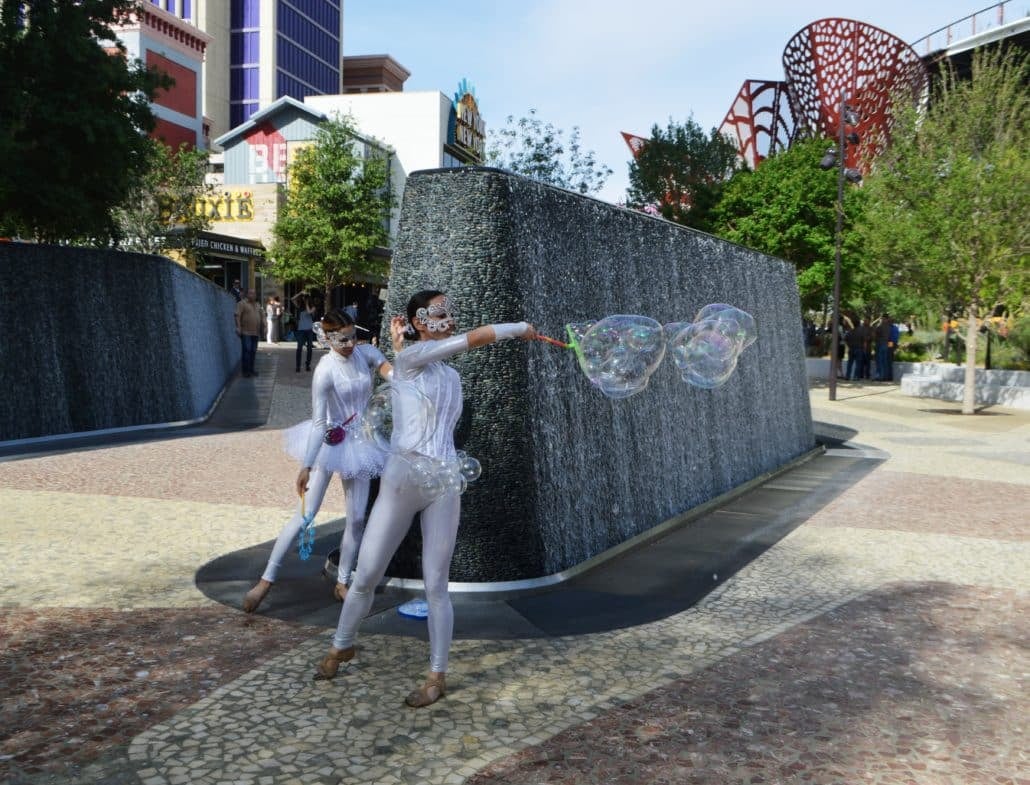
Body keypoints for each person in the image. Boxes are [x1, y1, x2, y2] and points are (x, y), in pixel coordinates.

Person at [312, 290, 536, 708]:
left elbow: (411, 392)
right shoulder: (412, 360)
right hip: (402, 480)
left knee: (437, 583)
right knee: (365, 576)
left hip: (444, 481)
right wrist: (517, 329)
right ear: (419, 320)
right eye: (439, 313)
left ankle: (437, 675)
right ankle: (341, 644)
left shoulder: (448, 376)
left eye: (448, 313)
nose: (448, 319)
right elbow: (470, 341)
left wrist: (397, 351)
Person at [242, 309, 404, 613]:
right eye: (342, 338)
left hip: (362, 442)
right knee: (306, 514)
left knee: (356, 518)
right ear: (327, 338)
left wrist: (397, 348)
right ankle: (266, 579)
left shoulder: (367, 353)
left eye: (353, 335)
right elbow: (319, 423)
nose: (350, 343)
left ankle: (343, 580)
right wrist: (306, 464)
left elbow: (397, 377)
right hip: (330, 440)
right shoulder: (325, 370)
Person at [235, 288, 261, 377]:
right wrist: (238, 327)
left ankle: (251, 370)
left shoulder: (257, 305)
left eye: (254, 294)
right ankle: (245, 372)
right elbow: (237, 315)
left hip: (255, 332)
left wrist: (265, 327)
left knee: (253, 351)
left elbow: (262, 316)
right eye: (250, 293)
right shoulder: (242, 303)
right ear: (247, 294)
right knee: (247, 351)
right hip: (246, 332)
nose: (252, 295)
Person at [293, 294, 317, 372]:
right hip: (301, 330)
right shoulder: (300, 307)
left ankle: (307, 365)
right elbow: (292, 299)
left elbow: (309, 312)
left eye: (306, 299)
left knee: (309, 348)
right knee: (299, 348)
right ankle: (297, 366)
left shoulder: (313, 307)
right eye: (304, 299)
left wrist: (307, 303)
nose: (304, 300)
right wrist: (300, 294)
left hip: (309, 330)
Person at [874, 313, 894, 382]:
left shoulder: (880, 326)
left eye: (882, 318)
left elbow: (875, 335)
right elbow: (891, 338)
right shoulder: (891, 327)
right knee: (885, 361)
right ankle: (886, 376)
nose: (882, 319)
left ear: (885, 319)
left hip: (881, 344)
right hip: (887, 345)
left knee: (880, 361)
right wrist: (891, 348)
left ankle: (880, 376)